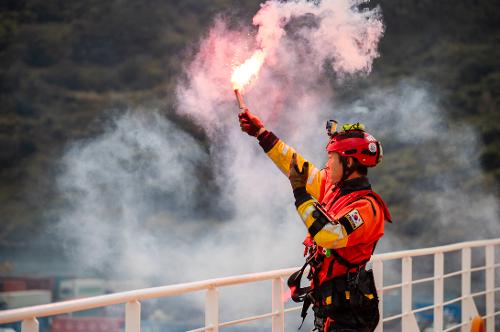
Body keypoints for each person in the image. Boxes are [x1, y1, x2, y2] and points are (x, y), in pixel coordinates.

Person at [238, 109, 392, 332]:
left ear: (348, 162)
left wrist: (301, 195)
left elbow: (329, 234)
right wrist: (261, 133)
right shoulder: (333, 187)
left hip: (349, 317)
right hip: (330, 311)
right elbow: (295, 165)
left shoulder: (367, 208)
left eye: (332, 157)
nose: (327, 164)